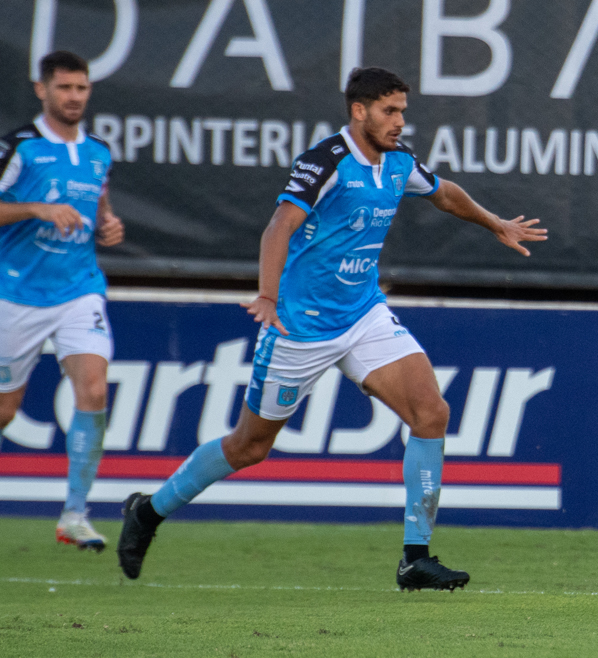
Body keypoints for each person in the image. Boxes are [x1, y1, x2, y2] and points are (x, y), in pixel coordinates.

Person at [116, 67, 547, 589]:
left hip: (363, 315)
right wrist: (269, 296)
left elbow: (443, 192)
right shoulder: (325, 163)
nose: (400, 120)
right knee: (250, 446)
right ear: (359, 111)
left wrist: (495, 222)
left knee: (431, 412)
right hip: (301, 326)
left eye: (403, 110)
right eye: (390, 111)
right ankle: (149, 511)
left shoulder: (398, 161)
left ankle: (415, 557)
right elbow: (280, 225)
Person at [0, 51, 125, 552]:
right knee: (6, 411)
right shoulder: (20, 148)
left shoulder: (98, 151)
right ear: (41, 90)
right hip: (16, 293)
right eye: (64, 88)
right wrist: (35, 207)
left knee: (93, 392)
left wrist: (110, 225)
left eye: (81, 88)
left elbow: (100, 207)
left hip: (79, 289)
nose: (74, 97)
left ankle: (75, 513)